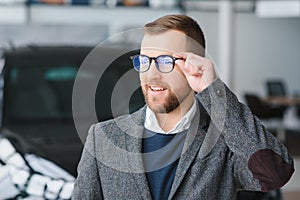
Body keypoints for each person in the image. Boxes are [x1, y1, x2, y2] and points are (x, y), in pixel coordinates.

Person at [72, 14, 294, 200]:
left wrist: (214, 92)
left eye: (165, 62)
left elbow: (276, 173)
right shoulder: (103, 138)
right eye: (144, 61)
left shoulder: (224, 141)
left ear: (195, 65)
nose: (152, 74)